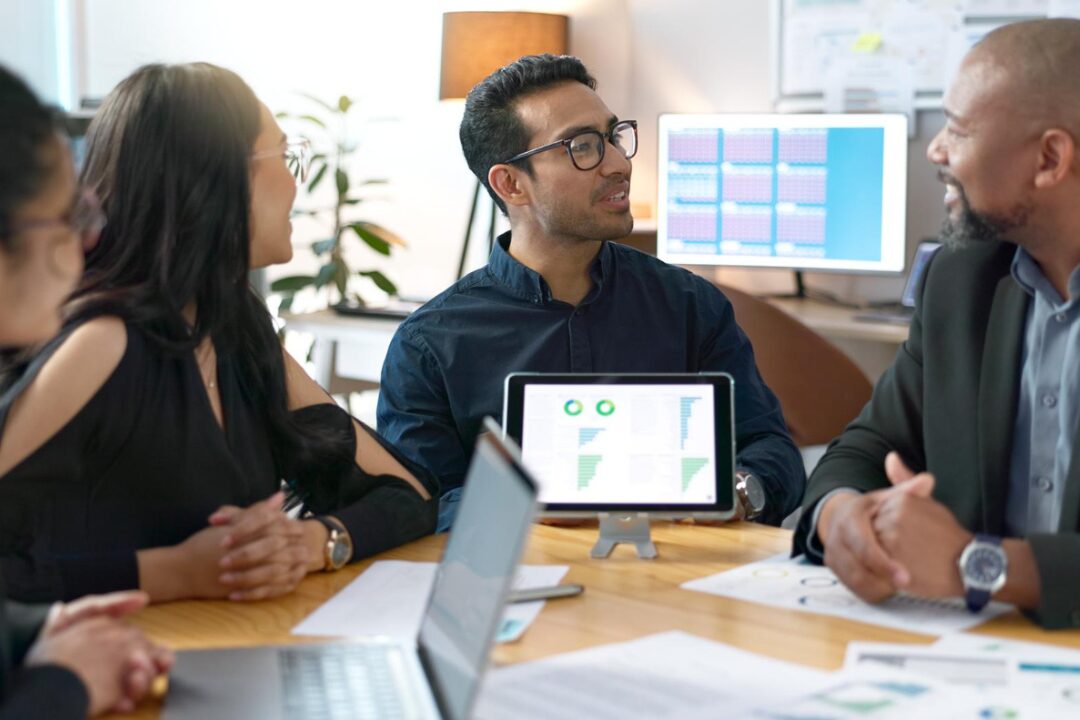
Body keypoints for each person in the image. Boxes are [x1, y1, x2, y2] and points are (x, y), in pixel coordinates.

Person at [0, 62, 438, 605]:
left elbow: (410, 495)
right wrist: (173, 573)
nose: (295, 180)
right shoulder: (103, 343)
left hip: (223, 652)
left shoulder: (236, 325)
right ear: (216, 179)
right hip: (112, 674)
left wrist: (311, 543)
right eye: (283, 155)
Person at [378, 54, 804, 530]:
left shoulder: (689, 304)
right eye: (582, 146)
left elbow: (772, 449)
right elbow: (419, 506)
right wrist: (532, 507)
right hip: (521, 588)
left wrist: (739, 492)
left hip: (676, 580)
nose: (620, 163)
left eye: (613, 137)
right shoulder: (429, 345)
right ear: (511, 184)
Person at [793, 18, 1080, 629]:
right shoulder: (961, 278)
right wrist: (841, 517)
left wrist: (982, 565)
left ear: (1051, 158)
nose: (936, 149)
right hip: (970, 653)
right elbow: (869, 445)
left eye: (958, 128)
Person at [0, 64, 171, 718]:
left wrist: (34, 630)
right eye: (68, 216)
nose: (88, 238)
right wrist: (66, 683)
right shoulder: (100, 339)